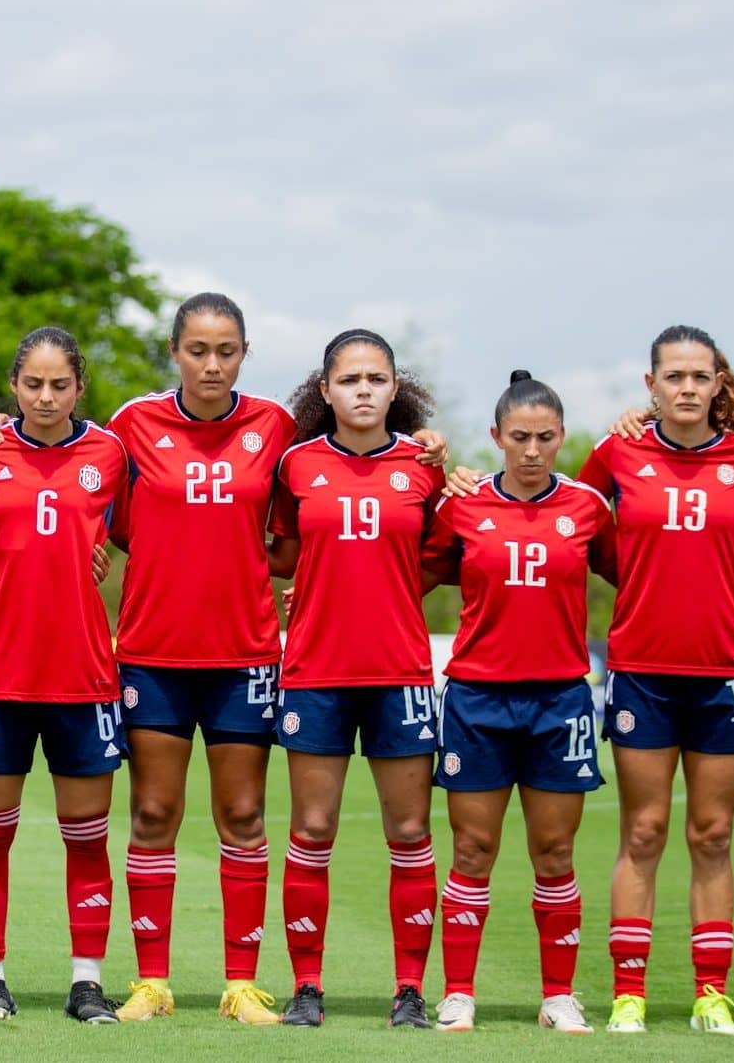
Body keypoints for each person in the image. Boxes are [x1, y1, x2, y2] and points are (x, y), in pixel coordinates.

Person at [0, 295, 446, 1023]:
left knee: (244, 815)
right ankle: (152, 983)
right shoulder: (131, 427)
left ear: (244, 353)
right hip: (152, 653)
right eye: (197, 350)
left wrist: (435, 450)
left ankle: (240, 983)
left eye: (225, 351)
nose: (211, 364)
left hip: (246, 653)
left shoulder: (274, 428)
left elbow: (310, 519)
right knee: (153, 812)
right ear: (175, 352)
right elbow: (87, 497)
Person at [582, 326, 734, 1035]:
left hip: (726, 671)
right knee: (642, 831)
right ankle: (628, 995)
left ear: (717, 384)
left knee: (713, 833)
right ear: (650, 386)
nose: (688, 388)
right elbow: (562, 526)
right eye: (674, 376)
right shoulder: (615, 453)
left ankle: (708, 995)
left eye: (701, 376)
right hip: (640, 671)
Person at [420, 370, 616, 1035]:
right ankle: (457, 994)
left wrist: (729, 600)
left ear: (560, 436)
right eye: (519, 438)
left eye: (545, 438)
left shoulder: (588, 508)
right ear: (495, 437)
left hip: (559, 700)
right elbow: (406, 573)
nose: (532, 450)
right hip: (476, 696)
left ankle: (558, 995)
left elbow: (639, 574)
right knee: (472, 849)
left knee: (554, 853)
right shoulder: (461, 506)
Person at [265, 329, 443, 1030]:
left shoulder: (425, 468)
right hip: (315, 671)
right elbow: (280, 554)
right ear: (326, 389)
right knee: (311, 829)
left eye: (375, 378)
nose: (363, 390)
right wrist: (314, 587)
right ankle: (306, 987)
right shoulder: (296, 466)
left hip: (398, 670)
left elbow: (443, 556)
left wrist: (387, 589)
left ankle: (408, 991)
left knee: (408, 831)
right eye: (349, 380)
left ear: (395, 389)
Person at [0, 327, 130, 1025]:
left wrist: (90, 558)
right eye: (33, 384)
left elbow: (126, 533)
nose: (46, 396)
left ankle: (87, 981)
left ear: (79, 388)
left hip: (83, 674)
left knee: (85, 836)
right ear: (13, 385)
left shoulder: (110, 453)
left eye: (60, 385)